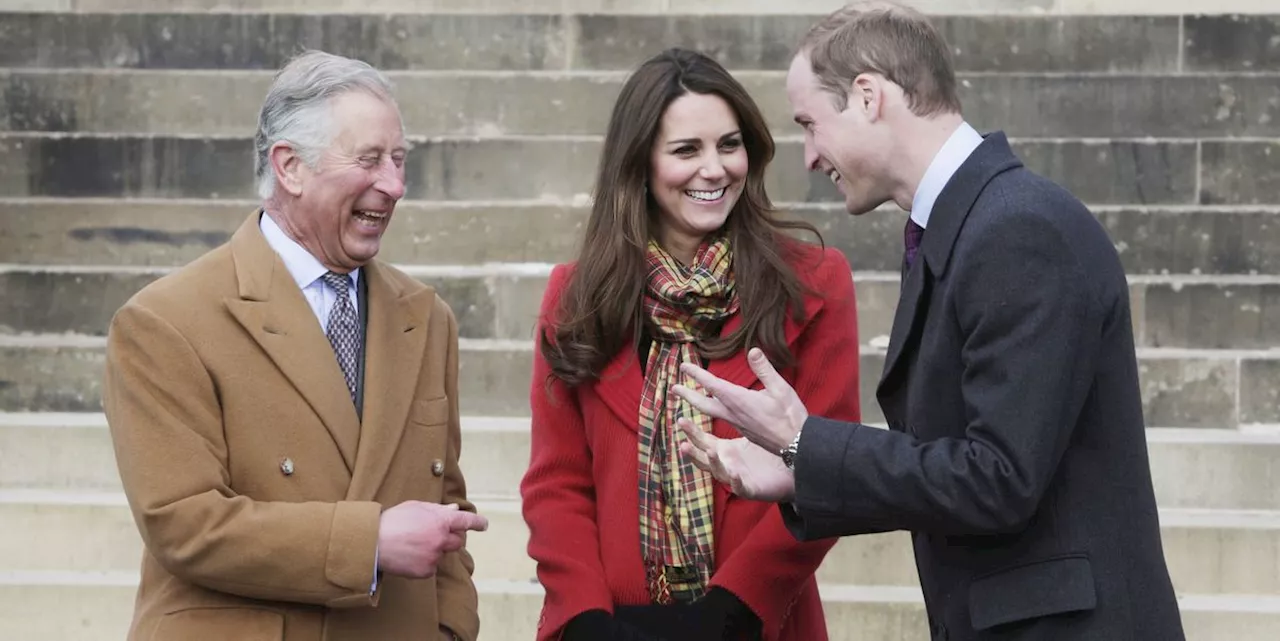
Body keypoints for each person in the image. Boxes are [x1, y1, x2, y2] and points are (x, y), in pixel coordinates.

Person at [671, 3, 1186, 640]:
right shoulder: (972, 225)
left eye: (810, 123)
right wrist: (805, 472)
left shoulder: (1018, 229)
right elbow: (961, 467)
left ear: (866, 96)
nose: (807, 156)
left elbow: (998, 479)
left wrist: (810, 445)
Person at [102, 50, 488, 641]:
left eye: (399, 160)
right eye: (369, 160)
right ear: (290, 167)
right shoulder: (165, 321)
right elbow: (183, 523)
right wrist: (371, 543)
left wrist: (452, 629)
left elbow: (448, 507)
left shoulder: (427, 318)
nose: (394, 184)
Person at [519, 48, 862, 641]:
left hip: (754, 623)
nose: (715, 169)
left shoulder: (816, 284)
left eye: (729, 145)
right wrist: (584, 621)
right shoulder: (575, 297)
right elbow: (557, 484)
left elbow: (827, 472)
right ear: (641, 165)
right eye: (686, 150)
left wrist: (732, 610)